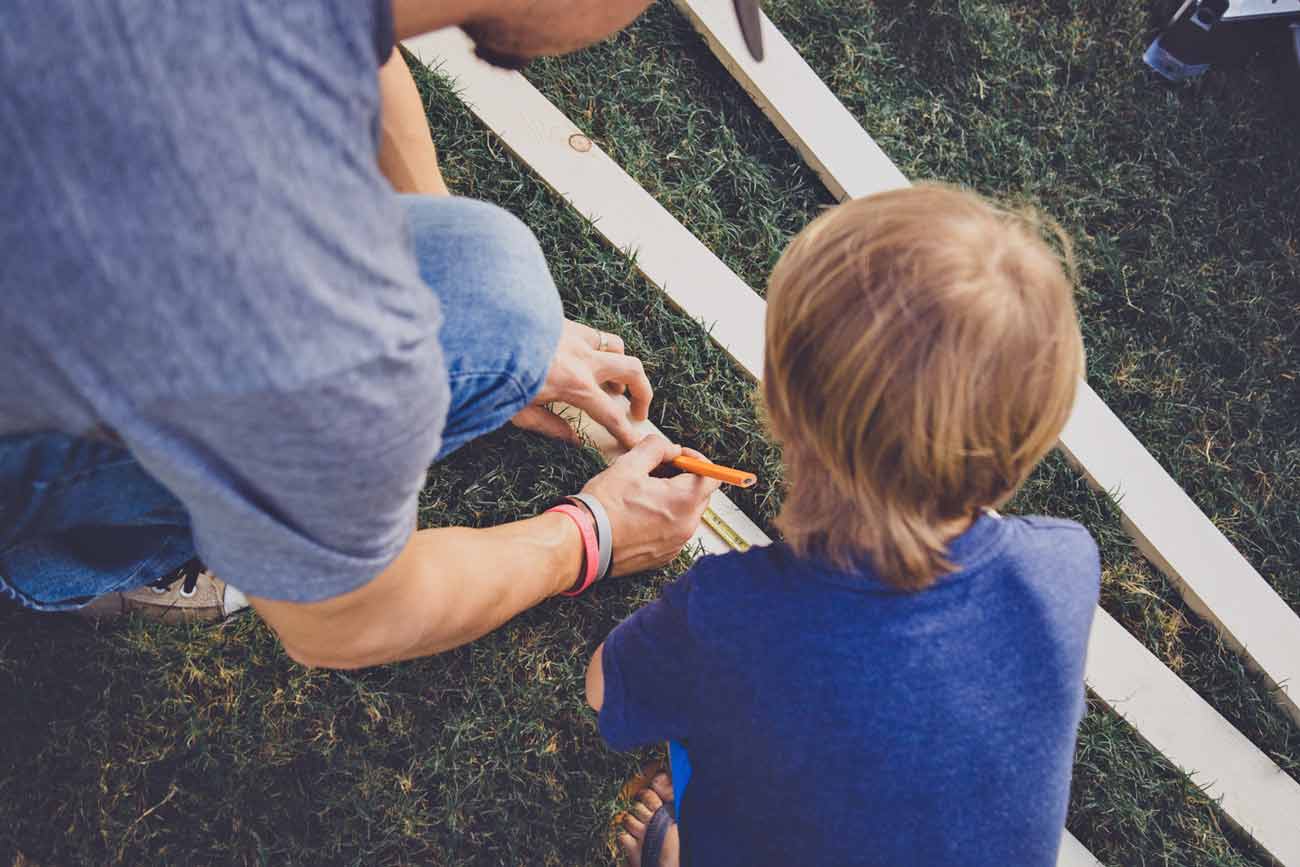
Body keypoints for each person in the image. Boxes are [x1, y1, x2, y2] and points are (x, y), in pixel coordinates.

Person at [0, 0, 763, 666]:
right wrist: (592, 535)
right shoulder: (299, 288)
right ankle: (60, 560)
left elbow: (359, 30)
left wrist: (464, 299)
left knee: (487, 277)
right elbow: (342, 621)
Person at [585, 185, 1101, 867]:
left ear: (779, 407)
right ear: (1016, 461)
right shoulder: (1067, 563)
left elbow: (605, 689)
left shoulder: (733, 611)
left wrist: (594, 525)